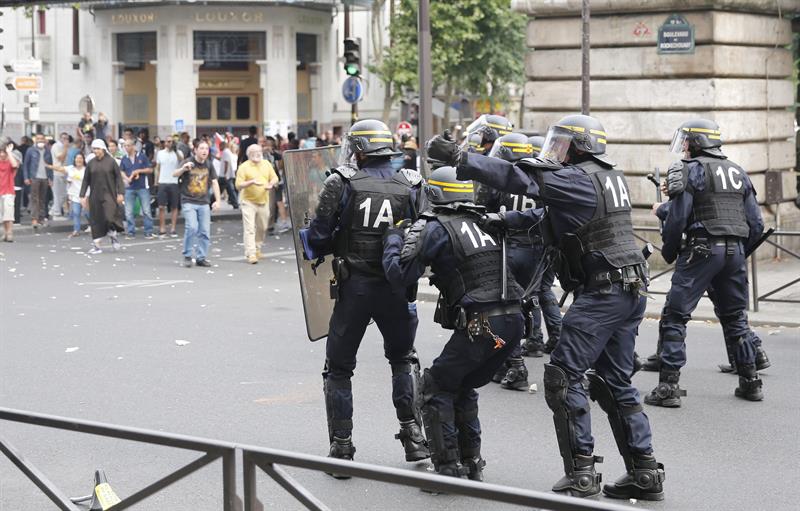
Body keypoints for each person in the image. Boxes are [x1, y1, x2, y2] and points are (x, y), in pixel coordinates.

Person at [429, 114, 666, 500]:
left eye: (561, 145)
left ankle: (582, 475)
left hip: (603, 294)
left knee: (564, 376)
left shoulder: (574, 177)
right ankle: (644, 472)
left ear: (580, 147)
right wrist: (500, 219)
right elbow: (548, 219)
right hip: (629, 289)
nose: (554, 151)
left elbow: (517, 178)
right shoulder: (606, 175)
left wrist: (460, 156)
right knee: (613, 380)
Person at [298, 119, 428, 473]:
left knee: (338, 368)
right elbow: (423, 234)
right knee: (403, 359)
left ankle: (342, 449)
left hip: (354, 287)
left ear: (359, 151)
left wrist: (307, 235)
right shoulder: (413, 183)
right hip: (396, 288)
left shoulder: (340, 182)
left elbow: (320, 238)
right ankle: (415, 439)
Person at [383, 165, 524, 480]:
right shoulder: (487, 220)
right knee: (460, 383)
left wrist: (393, 237)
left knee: (435, 385)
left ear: (433, 194)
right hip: (514, 323)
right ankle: (471, 461)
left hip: (482, 324)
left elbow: (399, 275)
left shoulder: (431, 225)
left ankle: (448, 467)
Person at [644, 119, 765, 407]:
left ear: (696, 143)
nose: (683, 147)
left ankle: (668, 389)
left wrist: (671, 250)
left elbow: (678, 217)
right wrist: (736, 253)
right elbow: (756, 224)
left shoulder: (690, 170)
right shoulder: (738, 171)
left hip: (700, 249)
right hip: (734, 252)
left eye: (686, 141)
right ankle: (750, 383)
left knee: (675, 316)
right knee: (736, 318)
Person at [473, 132, 535, 391]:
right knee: (525, 305)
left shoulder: (498, 178)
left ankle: (516, 365)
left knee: (502, 307)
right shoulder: (539, 176)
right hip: (536, 252)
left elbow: (479, 209)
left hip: (506, 248)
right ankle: (504, 364)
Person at [174, 141, 222, 268]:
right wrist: (183, 169)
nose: (204, 151)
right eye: (201, 148)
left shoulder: (209, 165)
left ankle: (201, 257)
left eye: (206, 148)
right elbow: (174, 174)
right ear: (195, 150)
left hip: (203, 201)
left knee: (205, 231)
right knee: (192, 227)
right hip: (188, 200)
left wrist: (218, 200)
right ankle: (187, 255)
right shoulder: (188, 162)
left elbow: (215, 182)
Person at [235, 144, 279, 264]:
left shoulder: (266, 164)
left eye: (259, 151)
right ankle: (251, 253)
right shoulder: (243, 167)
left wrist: (271, 184)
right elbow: (238, 185)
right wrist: (251, 182)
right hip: (248, 201)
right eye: (254, 152)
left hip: (263, 201)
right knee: (249, 229)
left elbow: (275, 178)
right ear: (248, 155)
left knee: (262, 227)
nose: (257, 153)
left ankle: (257, 248)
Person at [80, 139, 125, 254]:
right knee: (95, 219)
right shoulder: (91, 163)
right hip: (95, 195)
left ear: (103, 149)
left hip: (109, 194)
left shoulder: (111, 162)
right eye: (94, 149)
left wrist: (121, 193)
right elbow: (86, 180)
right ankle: (97, 246)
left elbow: (119, 178)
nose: (96, 151)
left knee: (109, 217)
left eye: (98, 149)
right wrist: (82, 196)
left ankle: (112, 233)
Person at [119, 140, 154, 239]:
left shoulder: (142, 156)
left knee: (146, 210)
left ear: (133, 146)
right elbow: (121, 171)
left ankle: (148, 231)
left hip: (142, 186)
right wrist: (126, 178)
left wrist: (139, 170)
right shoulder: (124, 158)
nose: (126, 147)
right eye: (125, 146)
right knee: (128, 211)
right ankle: (131, 232)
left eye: (128, 145)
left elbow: (150, 169)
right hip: (129, 187)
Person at [22, 133, 54, 229]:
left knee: (43, 199)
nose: (40, 140)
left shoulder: (48, 151)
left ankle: (41, 218)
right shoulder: (31, 150)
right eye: (38, 139)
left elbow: (50, 165)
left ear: (45, 140)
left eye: (42, 139)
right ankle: (34, 219)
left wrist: (51, 178)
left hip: (45, 178)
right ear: (35, 140)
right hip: (34, 177)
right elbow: (26, 165)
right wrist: (26, 177)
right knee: (34, 199)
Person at [155, 137, 183, 237]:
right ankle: (162, 227)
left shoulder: (178, 153)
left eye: (170, 141)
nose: (168, 143)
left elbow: (181, 161)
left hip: (174, 182)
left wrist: (175, 150)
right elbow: (157, 168)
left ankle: (173, 228)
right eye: (167, 141)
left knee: (174, 206)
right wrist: (156, 181)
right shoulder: (160, 153)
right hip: (162, 182)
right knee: (161, 206)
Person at [60, 153, 90, 237]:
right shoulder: (71, 169)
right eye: (77, 158)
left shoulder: (87, 170)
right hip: (75, 195)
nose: (78, 160)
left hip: (85, 194)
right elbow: (69, 180)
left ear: (83, 160)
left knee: (87, 212)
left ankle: (93, 225)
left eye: (80, 158)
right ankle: (76, 230)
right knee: (76, 213)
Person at [0, 145, 20, 242]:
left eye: (4, 152)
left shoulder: (10, 162)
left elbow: (15, 165)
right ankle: (5, 232)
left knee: (9, 213)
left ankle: (10, 232)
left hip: (8, 190)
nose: (2, 154)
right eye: (1, 152)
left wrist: (9, 152)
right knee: (3, 214)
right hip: (0, 191)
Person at [49, 132, 70, 219]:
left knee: (64, 194)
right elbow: (60, 158)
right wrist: (65, 147)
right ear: (60, 138)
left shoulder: (63, 147)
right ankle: (56, 213)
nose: (65, 140)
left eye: (67, 138)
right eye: (63, 138)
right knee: (58, 194)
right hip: (58, 173)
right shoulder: (56, 146)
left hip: (64, 172)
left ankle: (53, 210)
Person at [218, 141, 239, 209]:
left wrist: (225, 174)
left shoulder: (225, 152)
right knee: (224, 190)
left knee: (230, 190)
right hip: (227, 175)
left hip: (225, 175)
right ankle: (235, 203)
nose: (219, 148)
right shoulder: (227, 152)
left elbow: (226, 163)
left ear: (223, 146)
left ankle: (235, 203)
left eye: (220, 146)